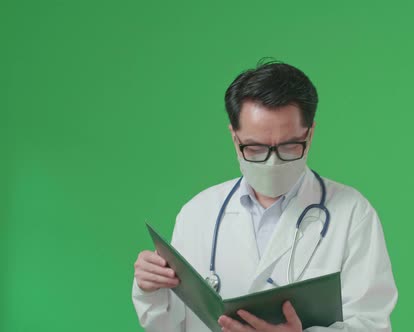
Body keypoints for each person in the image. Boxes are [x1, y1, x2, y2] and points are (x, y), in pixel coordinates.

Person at [131, 60, 399, 332]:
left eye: (289, 146)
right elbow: (169, 326)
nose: (272, 163)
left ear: (310, 134)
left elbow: (372, 324)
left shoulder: (352, 213)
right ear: (235, 138)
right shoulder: (197, 214)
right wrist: (151, 288)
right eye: (256, 148)